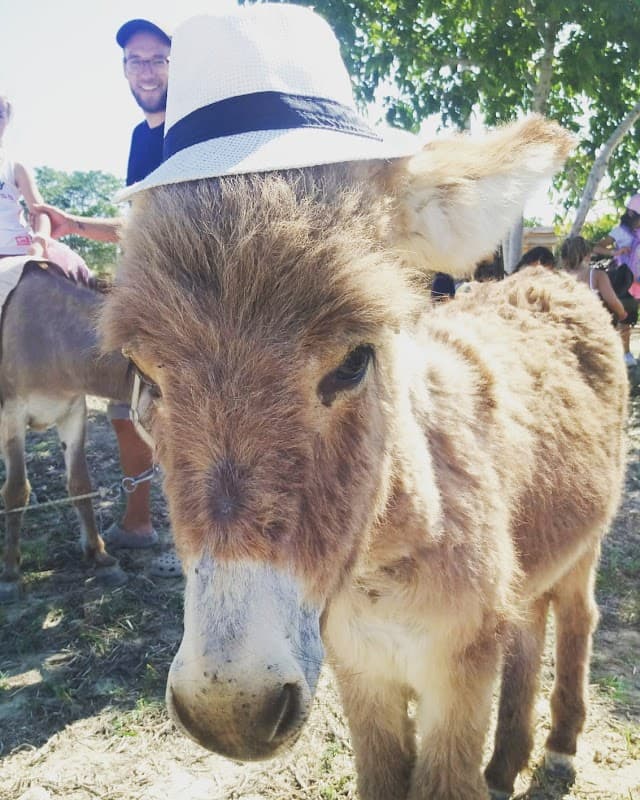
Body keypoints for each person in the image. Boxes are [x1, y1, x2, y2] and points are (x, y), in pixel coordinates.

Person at [35, 20, 179, 575]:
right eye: (135, 60)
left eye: (157, 58)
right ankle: (140, 521)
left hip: (183, 298)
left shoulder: (188, 132)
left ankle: (205, 531)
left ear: (175, 66)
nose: (146, 70)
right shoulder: (141, 138)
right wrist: (72, 222)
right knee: (125, 412)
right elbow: (134, 225)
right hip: (145, 295)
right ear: (124, 70)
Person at [0, 93, 90, 281]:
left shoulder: (14, 167)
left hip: (16, 251)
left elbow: (41, 211)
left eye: (0, 114)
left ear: (7, 121)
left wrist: (39, 241)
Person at [560, 236, 630, 357]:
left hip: (564, 331)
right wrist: (623, 314)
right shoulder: (596, 275)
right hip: (591, 331)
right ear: (587, 255)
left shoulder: (557, 276)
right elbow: (612, 301)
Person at [592, 194, 640, 366]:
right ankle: (625, 354)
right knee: (624, 315)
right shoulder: (619, 232)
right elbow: (597, 247)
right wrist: (615, 252)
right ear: (632, 214)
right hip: (624, 278)